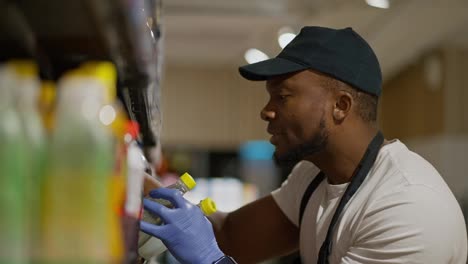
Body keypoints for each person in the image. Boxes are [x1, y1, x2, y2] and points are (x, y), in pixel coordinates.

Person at [141, 26, 468, 264]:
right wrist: (135, 181)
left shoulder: (408, 210)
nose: (266, 111)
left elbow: (216, 251)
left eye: (282, 97)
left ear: (340, 105)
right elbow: (231, 237)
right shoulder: (313, 175)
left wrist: (212, 261)